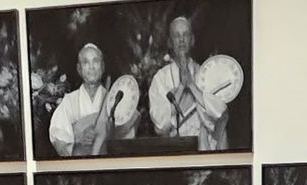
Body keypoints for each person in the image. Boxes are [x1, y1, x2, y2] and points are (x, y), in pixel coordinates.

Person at [147, 16, 232, 150]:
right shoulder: (160, 78)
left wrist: (192, 85)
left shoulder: (205, 74)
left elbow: (220, 113)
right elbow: (160, 126)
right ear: (170, 42)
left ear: (192, 40)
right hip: (174, 154)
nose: (181, 40)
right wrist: (181, 87)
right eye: (176, 35)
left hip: (205, 151)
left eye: (185, 35)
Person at [48, 43, 134, 156]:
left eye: (96, 61)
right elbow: (59, 139)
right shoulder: (69, 102)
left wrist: (107, 133)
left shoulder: (113, 100)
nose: (91, 67)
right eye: (86, 62)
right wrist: (77, 138)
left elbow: (126, 139)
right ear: (79, 69)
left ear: (102, 67)